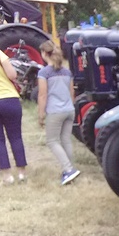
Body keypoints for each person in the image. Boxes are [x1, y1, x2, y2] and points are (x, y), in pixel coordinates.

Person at [0, 23, 27, 185]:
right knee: (15, 137)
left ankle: (6, 176)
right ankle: (22, 173)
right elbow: (12, 75)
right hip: (9, 99)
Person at [37, 40, 80, 185]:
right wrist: (71, 106)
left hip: (55, 111)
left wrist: (41, 114)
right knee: (66, 140)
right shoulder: (67, 72)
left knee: (52, 141)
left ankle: (68, 170)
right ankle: (70, 169)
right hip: (69, 109)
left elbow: (43, 95)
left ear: (44, 53)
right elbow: (72, 91)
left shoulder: (44, 73)